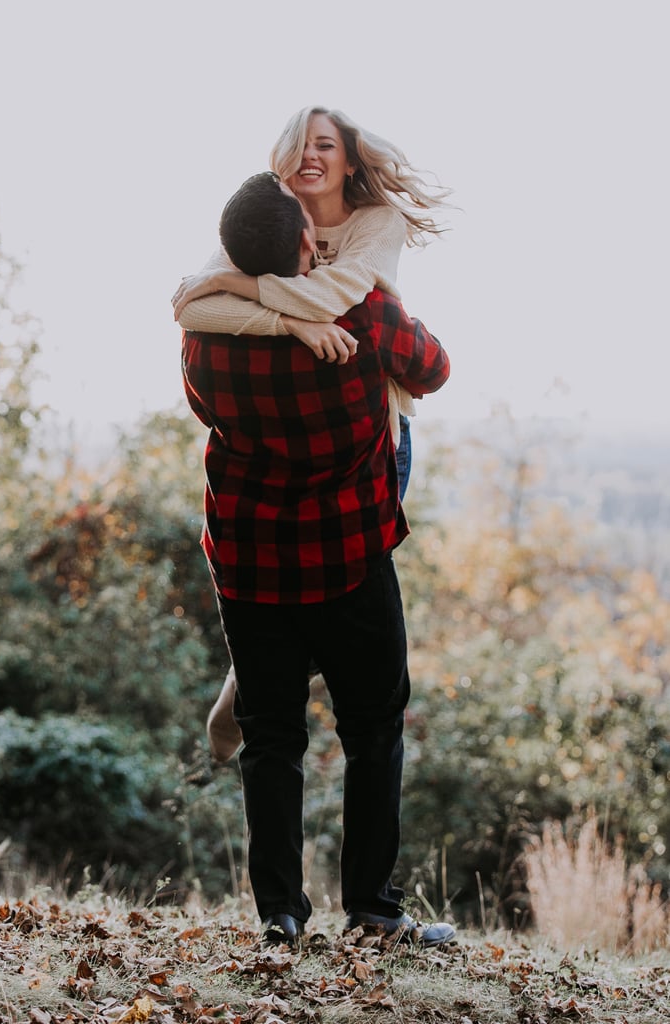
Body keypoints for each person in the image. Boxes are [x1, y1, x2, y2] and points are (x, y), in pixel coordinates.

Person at [181, 171, 453, 948]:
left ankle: (280, 915)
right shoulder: (365, 313)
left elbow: (204, 405)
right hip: (349, 556)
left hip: (252, 560)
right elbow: (431, 370)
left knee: (269, 736)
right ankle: (372, 908)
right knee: (373, 730)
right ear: (307, 242)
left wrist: (270, 310)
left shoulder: (206, 334)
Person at [172, 106, 450, 763]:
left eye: (324, 145)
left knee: (344, 579)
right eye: (299, 146)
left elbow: (334, 296)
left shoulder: (374, 223)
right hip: (284, 425)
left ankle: (245, 696)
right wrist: (290, 325)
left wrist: (236, 281)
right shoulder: (270, 212)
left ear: (350, 159)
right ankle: (261, 689)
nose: (309, 158)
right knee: (293, 581)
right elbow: (190, 305)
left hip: (368, 429)